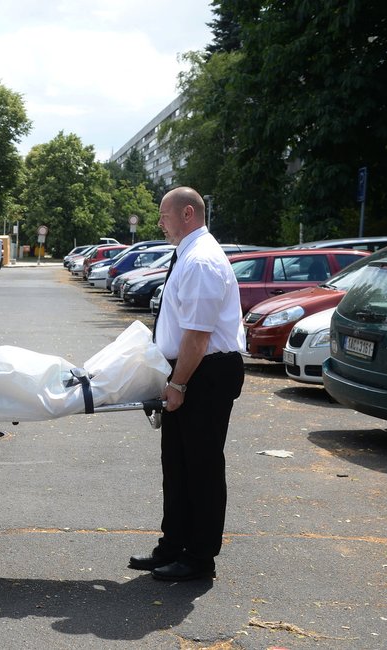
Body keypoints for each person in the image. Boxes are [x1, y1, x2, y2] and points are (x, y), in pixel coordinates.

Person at [129, 187, 245, 581]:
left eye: (164, 216)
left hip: (204, 373)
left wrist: (178, 386)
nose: (159, 224)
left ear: (188, 214)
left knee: (201, 468)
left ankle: (199, 558)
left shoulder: (201, 261)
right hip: (190, 369)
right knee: (177, 467)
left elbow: (198, 335)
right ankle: (172, 547)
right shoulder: (189, 255)